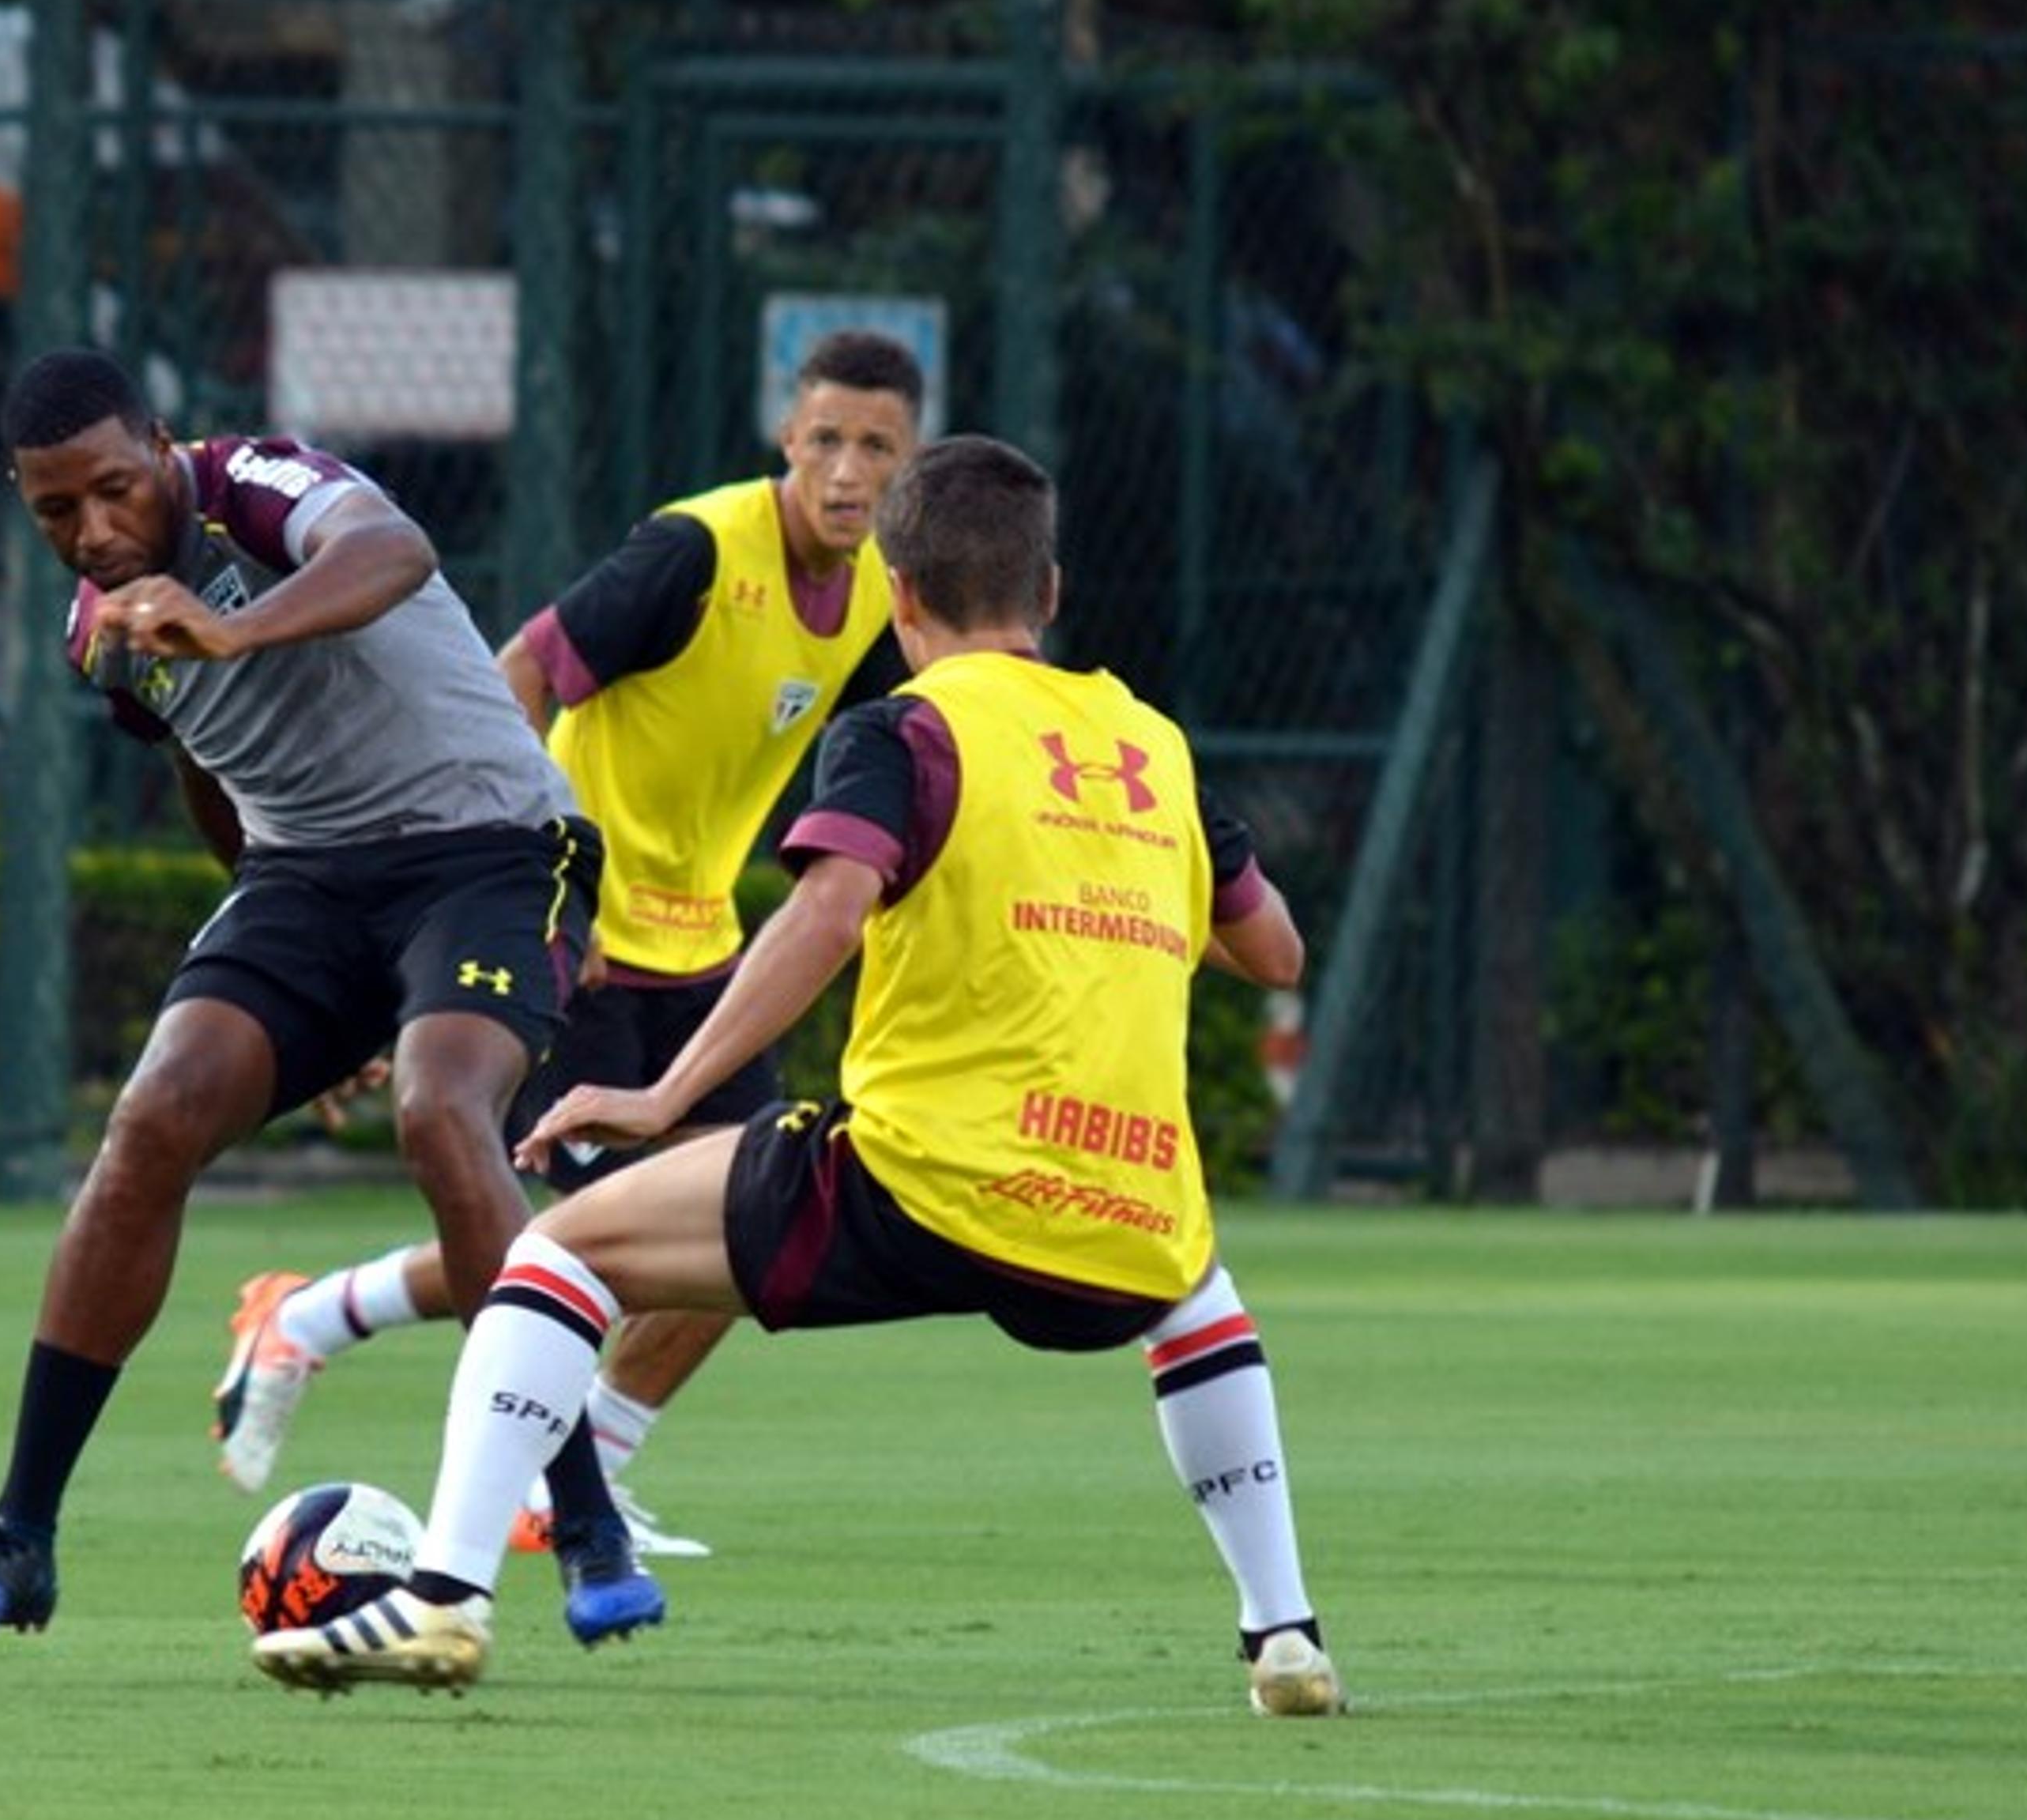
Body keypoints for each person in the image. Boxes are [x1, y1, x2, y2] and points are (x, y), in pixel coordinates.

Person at [251, 435, 1346, 1717]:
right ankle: (1284, 1635)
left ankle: (443, 1597)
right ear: (1049, 594)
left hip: (923, 1183)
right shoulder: (1153, 747)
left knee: (559, 1257)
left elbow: (827, 916)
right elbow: (1273, 951)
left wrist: (665, 1101)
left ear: (898, 596)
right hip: (1122, 1205)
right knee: (1196, 1293)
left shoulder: (906, 731)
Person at [0, 347, 663, 1649]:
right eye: (54, 511)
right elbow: (203, 752)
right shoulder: (101, 637)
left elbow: (394, 551)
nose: (94, 529)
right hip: (306, 883)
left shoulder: (255, 486)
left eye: (114, 489)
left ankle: (584, 1522)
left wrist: (237, 622)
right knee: (151, 1120)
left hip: (489, 851)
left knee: (440, 1112)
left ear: (162, 446)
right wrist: (302, 979)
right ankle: (19, 1536)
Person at [209, 331, 929, 1563]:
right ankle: (346, 1338)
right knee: (610, 1243)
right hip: (583, 943)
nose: (848, 471)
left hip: (703, 953)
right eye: (826, 440)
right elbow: (519, 674)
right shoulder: (694, 551)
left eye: (878, 448)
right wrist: (551, 881)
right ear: (786, 441)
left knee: (766, 1218)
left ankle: (504, 1423)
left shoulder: (877, 591)